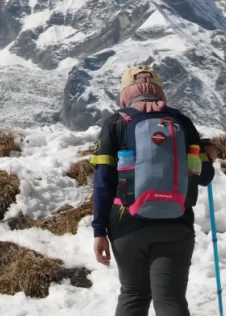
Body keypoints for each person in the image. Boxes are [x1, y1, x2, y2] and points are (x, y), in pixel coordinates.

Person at [90, 65, 217, 316]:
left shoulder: (116, 122)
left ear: (126, 93)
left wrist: (99, 230)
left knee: (134, 295)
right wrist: (208, 156)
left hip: (126, 224)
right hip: (176, 224)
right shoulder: (181, 121)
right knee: (170, 299)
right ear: (159, 91)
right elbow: (204, 177)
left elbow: (103, 182)